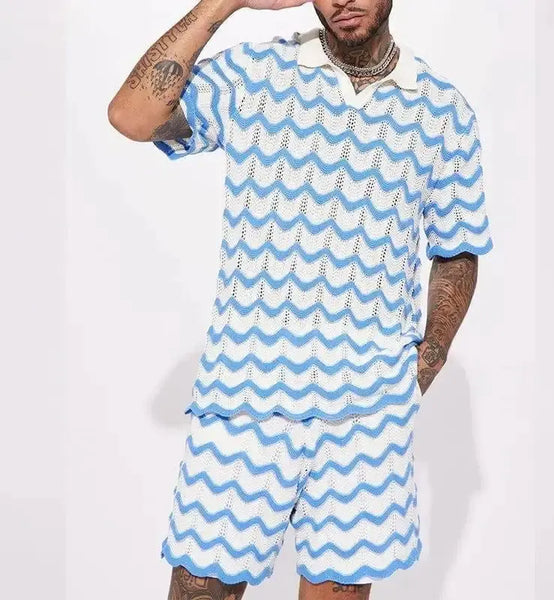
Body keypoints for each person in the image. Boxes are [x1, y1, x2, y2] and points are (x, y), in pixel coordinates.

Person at [108, 0, 493, 597]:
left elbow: (458, 248)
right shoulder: (256, 74)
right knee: (198, 588)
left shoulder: (442, 111)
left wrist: (426, 361)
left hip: (368, 410)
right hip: (246, 397)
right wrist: (225, 2)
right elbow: (132, 117)